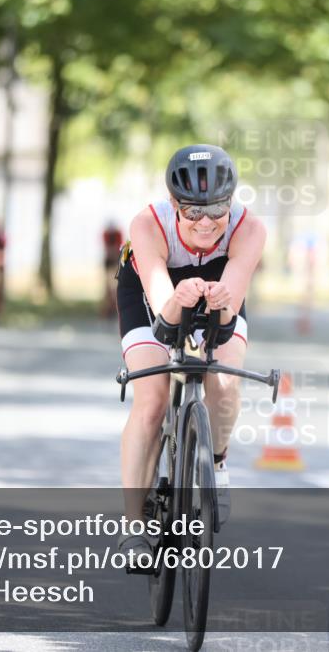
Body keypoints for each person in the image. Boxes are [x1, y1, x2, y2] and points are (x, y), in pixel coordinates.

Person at [115, 144, 265, 562]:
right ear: (173, 204)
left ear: (231, 202)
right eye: (191, 210)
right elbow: (164, 317)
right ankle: (133, 526)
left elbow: (229, 316)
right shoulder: (147, 225)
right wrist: (178, 300)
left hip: (219, 287)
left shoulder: (249, 230)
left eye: (216, 209)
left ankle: (215, 465)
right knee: (151, 398)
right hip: (151, 291)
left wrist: (222, 302)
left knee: (225, 381)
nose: (204, 222)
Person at [101, 220, 123, 319]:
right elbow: (108, 249)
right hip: (109, 262)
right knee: (108, 288)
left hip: (115, 262)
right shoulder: (106, 234)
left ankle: (114, 309)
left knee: (115, 287)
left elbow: (117, 247)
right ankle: (108, 310)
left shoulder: (117, 234)